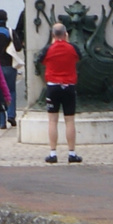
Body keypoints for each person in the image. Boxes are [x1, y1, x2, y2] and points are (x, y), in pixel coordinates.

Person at [41, 23, 82, 164]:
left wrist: (53, 43)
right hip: (69, 86)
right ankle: (72, 152)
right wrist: (67, 42)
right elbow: (79, 57)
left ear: (53, 35)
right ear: (66, 34)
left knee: (52, 120)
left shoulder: (48, 49)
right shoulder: (72, 48)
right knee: (69, 120)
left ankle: (53, 153)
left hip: (53, 86)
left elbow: (40, 60)